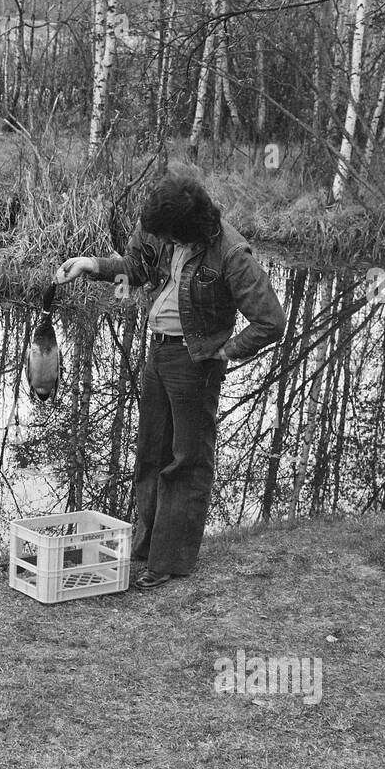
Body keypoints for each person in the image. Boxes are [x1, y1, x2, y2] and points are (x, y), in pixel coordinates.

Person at [55, 164, 286, 589]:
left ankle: (170, 561)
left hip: (193, 363)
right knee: (150, 454)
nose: (159, 242)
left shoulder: (232, 253)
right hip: (157, 352)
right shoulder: (159, 228)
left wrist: (224, 351)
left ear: (188, 227)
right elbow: (135, 270)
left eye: (166, 236)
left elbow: (271, 321)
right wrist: (89, 264)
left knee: (187, 461)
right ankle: (145, 547)